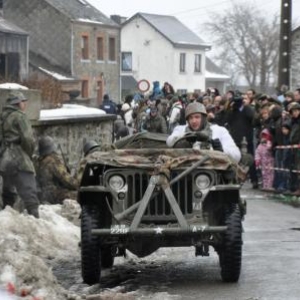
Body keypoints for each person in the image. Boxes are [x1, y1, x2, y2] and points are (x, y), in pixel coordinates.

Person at [0, 91, 39, 218]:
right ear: (17, 103)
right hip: (18, 155)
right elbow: (28, 138)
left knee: (8, 191)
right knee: (29, 190)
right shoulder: (19, 116)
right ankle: (36, 219)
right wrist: (28, 154)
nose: (25, 104)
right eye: (23, 101)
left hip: (4, 158)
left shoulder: (3, 117)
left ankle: (7, 219)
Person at [166, 102, 241, 163]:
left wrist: (220, 149)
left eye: (197, 117)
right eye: (190, 118)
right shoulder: (180, 129)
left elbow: (237, 156)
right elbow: (169, 142)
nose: (194, 121)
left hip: (213, 172)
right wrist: (187, 137)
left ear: (204, 118)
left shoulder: (219, 130)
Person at [35, 136, 78, 204]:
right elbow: (68, 181)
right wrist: (78, 184)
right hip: (54, 195)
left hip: (42, 195)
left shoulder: (39, 162)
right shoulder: (53, 161)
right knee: (80, 195)